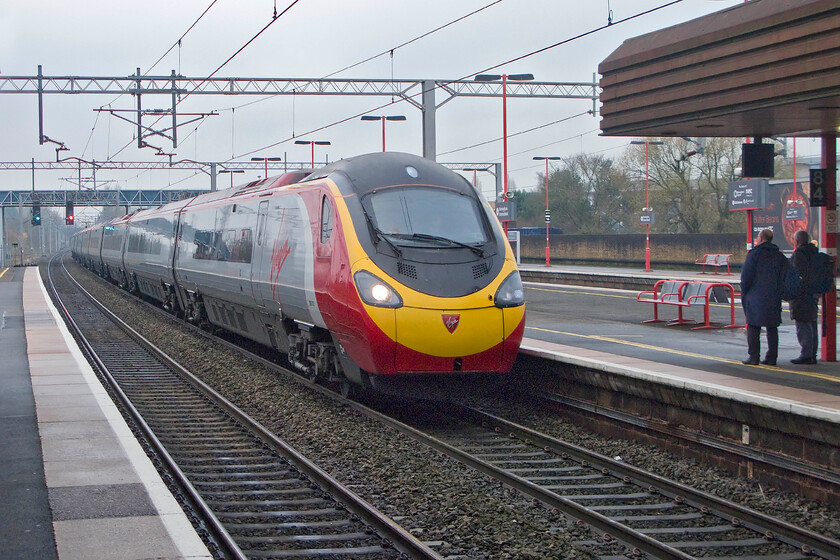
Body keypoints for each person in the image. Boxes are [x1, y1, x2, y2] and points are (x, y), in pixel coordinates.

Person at [740, 229, 788, 365]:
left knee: (753, 327)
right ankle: (772, 357)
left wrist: (745, 291)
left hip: (755, 296)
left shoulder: (754, 254)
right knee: (772, 328)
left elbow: (746, 276)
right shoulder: (779, 256)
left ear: (760, 238)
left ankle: (754, 356)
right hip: (773, 296)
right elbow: (784, 276)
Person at [789, 230, 819, 364]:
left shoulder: (799, 255)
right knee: (812, 322)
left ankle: (806, 354)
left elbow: (796, 275)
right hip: (812, 293)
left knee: (802, 323)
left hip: (801, 295)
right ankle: (812, 353)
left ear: (797, 241)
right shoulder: (814, 253)